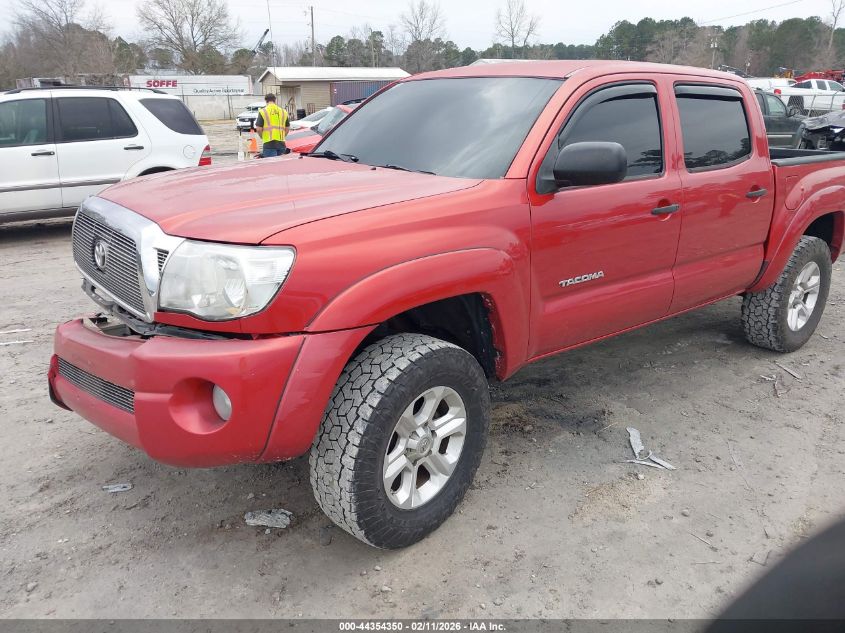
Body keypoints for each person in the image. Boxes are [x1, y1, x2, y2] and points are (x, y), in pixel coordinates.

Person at [254, 93, 290, 158]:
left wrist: (263, 137)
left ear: (266, 100)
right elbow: (287, 128)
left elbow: (259, 129)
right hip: (281, 143)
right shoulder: (283, 111)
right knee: (281, 165)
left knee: (271, 166)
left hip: (269, 143)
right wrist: (282, 136)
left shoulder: (263, 111)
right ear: (275, 100)